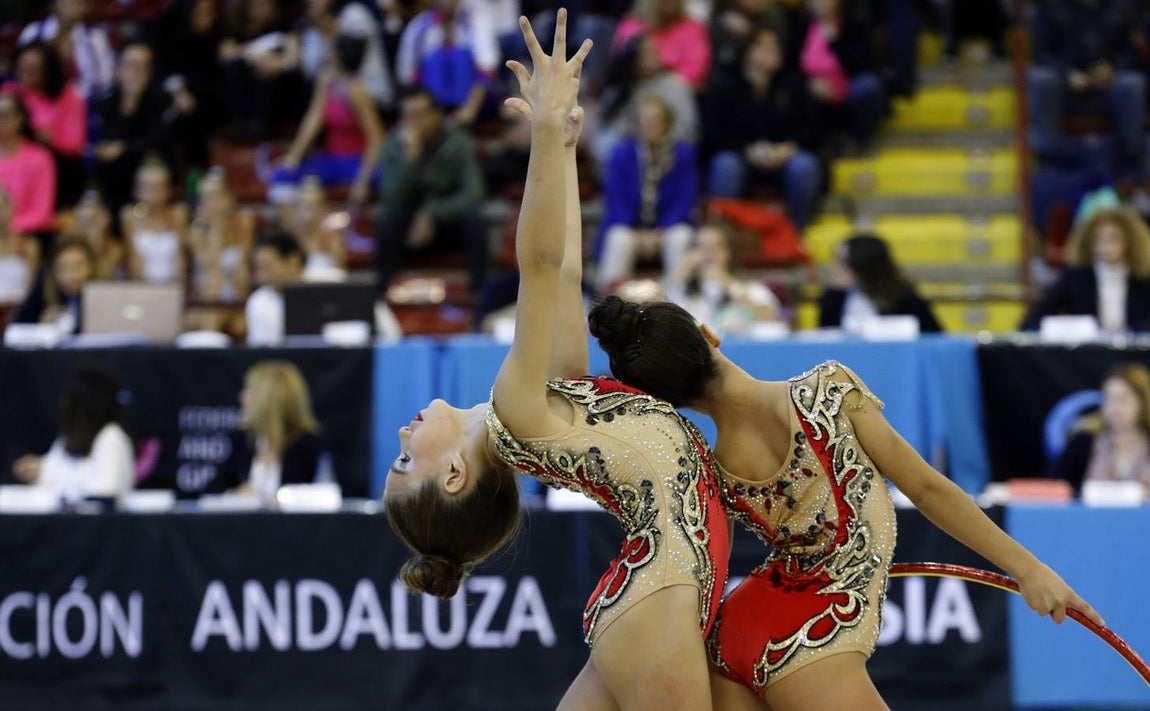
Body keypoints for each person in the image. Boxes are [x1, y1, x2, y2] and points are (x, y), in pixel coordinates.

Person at [384, 14, 729, 711]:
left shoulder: (546, 403)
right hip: (658, 588)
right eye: (404, 461)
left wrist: (566, 149)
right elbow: (538, 267)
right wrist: (543, 137)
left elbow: (566, 270)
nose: (399, 437)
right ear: (453, 474)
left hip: (656, 587)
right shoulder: (518, 408)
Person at [588, 294, 1105, 708]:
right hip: (813, 634)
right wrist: (1030, 569)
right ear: (709, 334)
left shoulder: (706, 465)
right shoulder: (826, 393)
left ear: (667, 400)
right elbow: (927, 489)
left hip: (734, 633)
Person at [701, 26, 822, 231]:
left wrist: (788, 148)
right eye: (766, 47)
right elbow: (713, 134)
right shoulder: (726, 85)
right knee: (725, 164)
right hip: (742, 157)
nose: (774, 51)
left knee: (804, 166)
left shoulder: (793, 83)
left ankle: (798, 232)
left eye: (776, 47)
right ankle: (722, 233)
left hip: (784, 157)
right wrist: (746, 150)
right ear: (748, 52)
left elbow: (813, 129)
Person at [374, 87, 486, 294]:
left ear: (437, 114)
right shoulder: (394, 143)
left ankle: (477, 296)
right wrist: (410, 161)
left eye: (419, 115)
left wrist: (431, 213)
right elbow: (390, 196)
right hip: (407, 225)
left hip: (446, 223)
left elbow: (473, 194)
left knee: (474, 223)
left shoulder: (458, 142)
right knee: (386, 223)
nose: (413, 122)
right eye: (407, 116)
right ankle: (383, 297)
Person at [595, 94, 697, 293]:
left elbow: (685, 197)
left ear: (667, 123)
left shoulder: (683, 153)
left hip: (667, 227)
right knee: (618, 237)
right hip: (630, 227)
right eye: (645, 120)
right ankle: (610, 301)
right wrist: (635, 230)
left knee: (680, 236)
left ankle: (679, 300)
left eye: (655, 120)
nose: (650, 125)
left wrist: (661, 230)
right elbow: (614, 196)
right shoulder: (622, 152)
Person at [272, 33, 386, 206]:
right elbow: (313, 119)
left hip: (357, 161)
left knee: (383, 179)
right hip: (332, 159)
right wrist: (294, 155)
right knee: (282, 174)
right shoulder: (325, 80)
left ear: (338, 57)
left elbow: (376, 138)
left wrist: (363, 180)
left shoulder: (357, 91)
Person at [12, 362, 134, 506]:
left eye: (70, 401)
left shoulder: (110, 438)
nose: (62, 405)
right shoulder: (69, 438)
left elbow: (103, 499)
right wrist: (40, 469)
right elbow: (56, 478)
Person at [212, 360, 325, 505]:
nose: (242, 398)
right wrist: (235, 494)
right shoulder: (242, 439)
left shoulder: (309, 443)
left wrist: (285, 499)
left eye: (249, 391)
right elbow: (213, 491)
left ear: (267, 398)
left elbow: (326, 494)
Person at [1021, 207, 1150, 332]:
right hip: (1089, 352)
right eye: (1097, 239)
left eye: (1113, 238)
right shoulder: (1075, 278)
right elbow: (1033, 320)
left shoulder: (1144, 277)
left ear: (1130, 242)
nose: (1104, 246)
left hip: (1136, 352)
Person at [91, 44, 174, 215]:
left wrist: (124, 148)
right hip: (115, 178)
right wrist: (127, 108)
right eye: (130, 65)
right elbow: (106, 144)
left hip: (147, 167)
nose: (136, 72)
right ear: (118, 70)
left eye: (142, 67)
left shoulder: (162, 101)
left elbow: (158, 141)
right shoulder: (104, 103)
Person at [1050, 363, 1150, 497]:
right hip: (1091, 517)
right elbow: (1053, 486)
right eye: (1110, 399)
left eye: (1123, 399)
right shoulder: (1084, 442)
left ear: (1142, 402)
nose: (1115, 408)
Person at [5, 42, 86, 205]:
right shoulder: (10, 91)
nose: (24, 75)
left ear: (48, 72)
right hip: (14, 159)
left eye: (33, 71)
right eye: (21, 69)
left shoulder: (69, 96)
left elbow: (75, 143)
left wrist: (51, 138)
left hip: (58, 162)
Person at [798, 0, 884, 153]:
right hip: (815, 94)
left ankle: (859, 140)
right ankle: (821, 145)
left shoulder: (855, 23)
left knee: (869, 85)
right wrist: (809, 83)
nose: (818, 3)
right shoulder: (801, 27)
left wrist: (835, 41)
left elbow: (865, 64)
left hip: (849, 89)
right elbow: (790, 68)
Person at [395, 0, 500, 125]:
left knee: (461, 58)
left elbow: (487, 70)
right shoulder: (418, 27)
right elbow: (407, 77)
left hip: (473, 104)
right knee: (435, 60)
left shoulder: (476, 20)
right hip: (430, 105)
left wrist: (468, 111)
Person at [664, 221, 780, 334]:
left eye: (715, 247)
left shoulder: (748, 288)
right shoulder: (680, 288)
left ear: (730, 252)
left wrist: (729, 284)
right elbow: (651, 311)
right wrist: (680, 273)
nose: (708, 254)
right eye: (701, 247)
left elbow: (771, 318)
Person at [818, 233, 942, 333]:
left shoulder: (904, 299)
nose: (833, 268)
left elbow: (933, 337)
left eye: (842, 262)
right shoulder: (832, 298)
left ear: (863, 265)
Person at [299, 0, 394, 111]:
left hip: (373, 94)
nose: (310, 2)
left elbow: (352, 62)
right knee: (323, 81)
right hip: (340, 96)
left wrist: (332, 35)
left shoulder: (354, 13)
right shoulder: (313, 30)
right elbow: (310, 71)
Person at [18, 0, 115, 99]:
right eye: (69, 2)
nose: (74, 6)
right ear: (55, 5)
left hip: (85, 101)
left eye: (79, 3)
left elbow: (106, 79)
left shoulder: (95, 37)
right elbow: (21, 73)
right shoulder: (33, 32)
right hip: (35, 99)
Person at [612, 0, 712, 89]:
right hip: (634, 87)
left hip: (674, 91)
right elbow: (621, 61)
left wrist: (661, 72)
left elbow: (696, 71)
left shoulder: (693, 29)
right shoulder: (636, 26)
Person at [189, 167, 254, 303]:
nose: (206, 203)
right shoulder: (197, 231)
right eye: (203, 198)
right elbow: (212, 270)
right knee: (212, 314)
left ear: (228, 197)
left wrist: (222, 224)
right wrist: (215, 229)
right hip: (210, 296)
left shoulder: (244, 223)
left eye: (212, 197)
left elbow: (242, 271)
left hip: (238, 294)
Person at [122, 159, 190, 286]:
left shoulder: (179, 215)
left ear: (168, 189)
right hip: (141, 286)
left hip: (174, 286)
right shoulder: (129, 217)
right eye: (147, 186)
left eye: (158, 187)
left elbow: (181, 259)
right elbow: (132, 259)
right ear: (137, 190)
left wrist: (177, 291)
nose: (152, 193)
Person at [0, 92, 56, 235]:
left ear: (20, 119)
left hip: (24, 235)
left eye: (4, 116)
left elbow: (42, 213)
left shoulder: (39, 158)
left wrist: (7, 228)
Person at [13, 236, 94, 335]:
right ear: (54, 271)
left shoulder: (104, 291)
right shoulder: (42, 290)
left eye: (78, 265)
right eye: (63, 268)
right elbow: (17, 329)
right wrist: (42, 326)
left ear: (91, 265)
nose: (72, 275)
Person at [245, 232, 305, 346]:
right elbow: (262, 351)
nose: (261, 277)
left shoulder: (328, 284)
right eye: (259, 268)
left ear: (293, 261)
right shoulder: (258, 302)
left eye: (267, 266)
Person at [65, 188, 124, 279]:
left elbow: (101, 277)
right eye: (85, 206)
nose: (90, 212)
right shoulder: (68, 239)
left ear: (106, 217)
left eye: (94, 220)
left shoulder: (114, 248)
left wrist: (97, 239)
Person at [0, 186, 40, 305]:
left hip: (19, 311)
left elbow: (32, 289)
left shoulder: (29, 246)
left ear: (12, 208)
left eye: (1, 206)